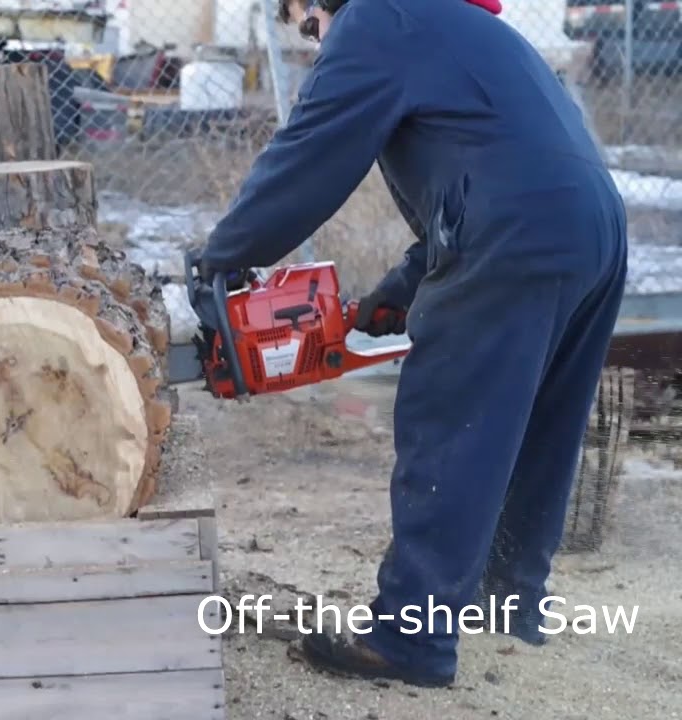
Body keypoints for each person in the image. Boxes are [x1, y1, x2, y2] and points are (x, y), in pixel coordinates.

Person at [199, 0, 628, 689]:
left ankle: (410, 638)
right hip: (592, 226)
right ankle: (510, 605)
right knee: (539, 429)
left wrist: (219, 259)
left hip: (515, 230)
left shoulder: (376, 18)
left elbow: (308, 156)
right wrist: (399, 288)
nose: (311, 39)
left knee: (453, 421)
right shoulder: (461, 26)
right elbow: (492, 164)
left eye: (307, 23)